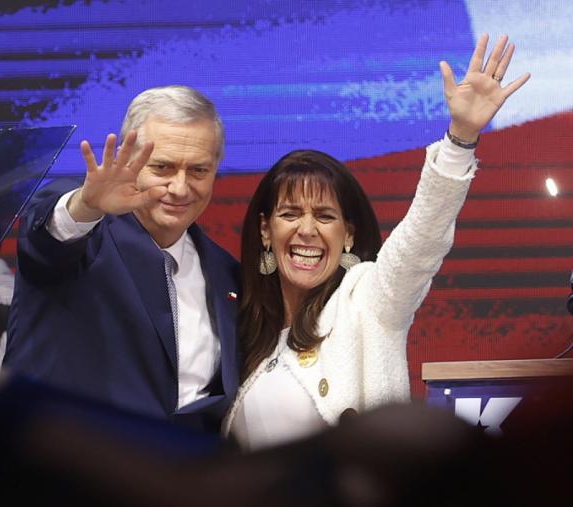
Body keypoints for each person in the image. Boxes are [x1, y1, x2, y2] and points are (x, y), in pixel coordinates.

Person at [223, 34, 531, 450]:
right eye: (290, 214)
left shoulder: (367, 302)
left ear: (348, 234)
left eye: (325, 216)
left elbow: (420, 240)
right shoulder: (241, 334)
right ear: (265, 230)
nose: (307, 230)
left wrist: (460, 140)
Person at [4, 85, 240, 432]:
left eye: (199, 170)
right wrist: (87, 205)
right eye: (162, 167)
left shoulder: (227, 273)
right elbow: (47, 240)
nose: (180, 187)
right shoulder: (83, 237)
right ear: (128, 161)